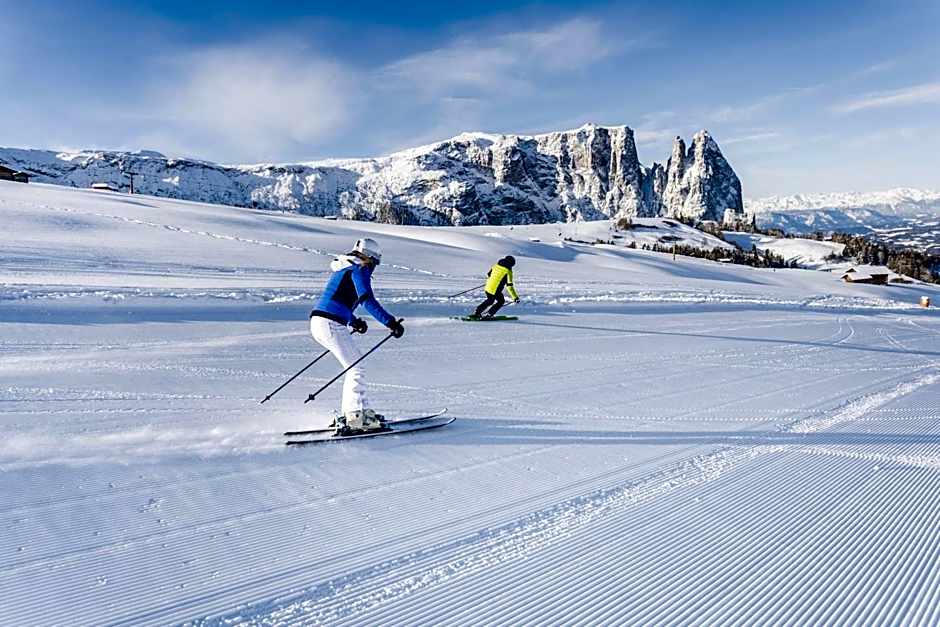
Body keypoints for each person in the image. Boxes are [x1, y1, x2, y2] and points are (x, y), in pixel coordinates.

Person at [309, 238, 404, 431]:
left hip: (320, 321)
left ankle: (358, 411)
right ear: (370, 258)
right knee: (356, 367)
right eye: (375, 263)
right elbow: (366, 299)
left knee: (354, 365)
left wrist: (354, 321)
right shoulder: (360, 268)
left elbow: (338, 299)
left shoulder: (345, 267)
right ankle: (356, 416)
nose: (373, 267)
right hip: (330, 323)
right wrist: (390, 322)